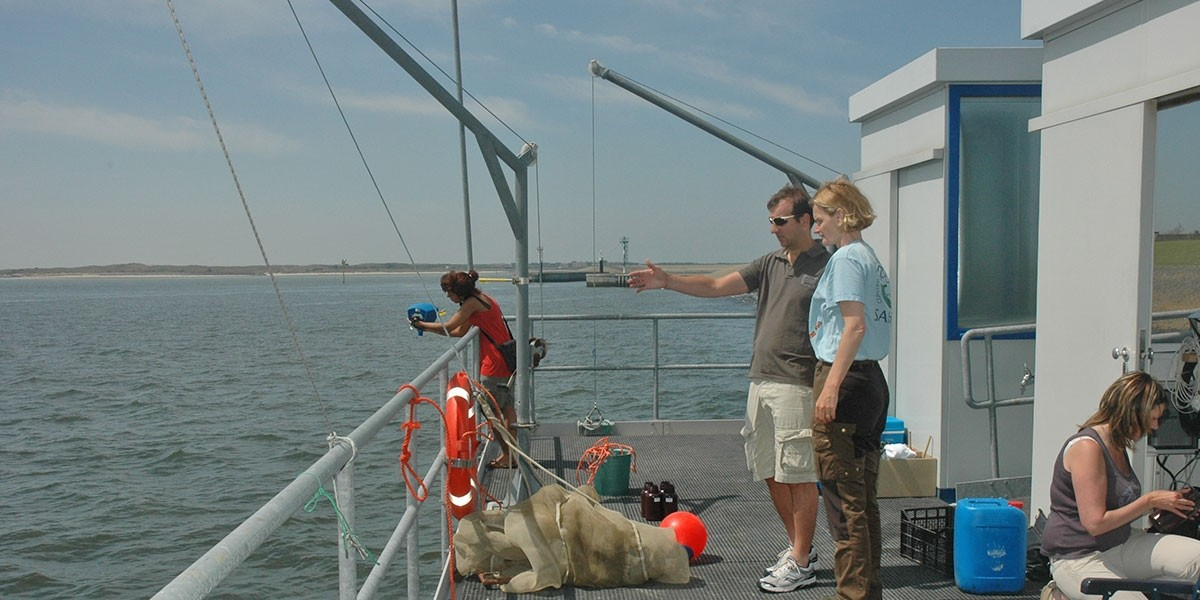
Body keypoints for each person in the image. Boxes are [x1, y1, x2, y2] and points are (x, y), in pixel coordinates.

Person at [627, 184, 829, 593]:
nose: (773, 229)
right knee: (770, 471)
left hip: (799, 382)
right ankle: (797, 549)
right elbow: (717, 286)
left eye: (780, 221)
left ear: (805, 220)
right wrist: (667, 281)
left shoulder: (828, 265)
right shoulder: (770, 263)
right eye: (770, 221)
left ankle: (803, 560)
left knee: (799, 474)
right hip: (762, 379)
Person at [1040, 371, 1200, 600]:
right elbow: (1095, 523)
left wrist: (1166, 503)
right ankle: (1058, 591)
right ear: (1131, 413)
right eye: (1151, 419)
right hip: (1078, 556)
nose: (1154, 427)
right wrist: (1150, 500)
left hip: (1121, 543)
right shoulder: (1087, 448)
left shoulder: (1116, 444)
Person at [808, 177, 892, 600]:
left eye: (820, 220)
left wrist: (830, 388)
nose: (816, 229)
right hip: (872, 382)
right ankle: (868, 590)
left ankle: (852, 594)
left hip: (847, 380)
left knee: (843, 501)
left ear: (841, 216)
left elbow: (853, 327)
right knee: (863, 498)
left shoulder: (844, 260)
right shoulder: (869, 257)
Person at [412, 270, 517, 469]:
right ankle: (512, 452)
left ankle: (508, 456)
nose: (448, 297)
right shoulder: (482, 299)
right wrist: (430, 328)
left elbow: (450, 325)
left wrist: (422, 326)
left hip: (493, 366)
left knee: (491, 413)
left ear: (458, 292)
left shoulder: (471, 304)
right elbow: (459, 332)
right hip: (505, 361)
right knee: (506, 408)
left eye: (449, 293)